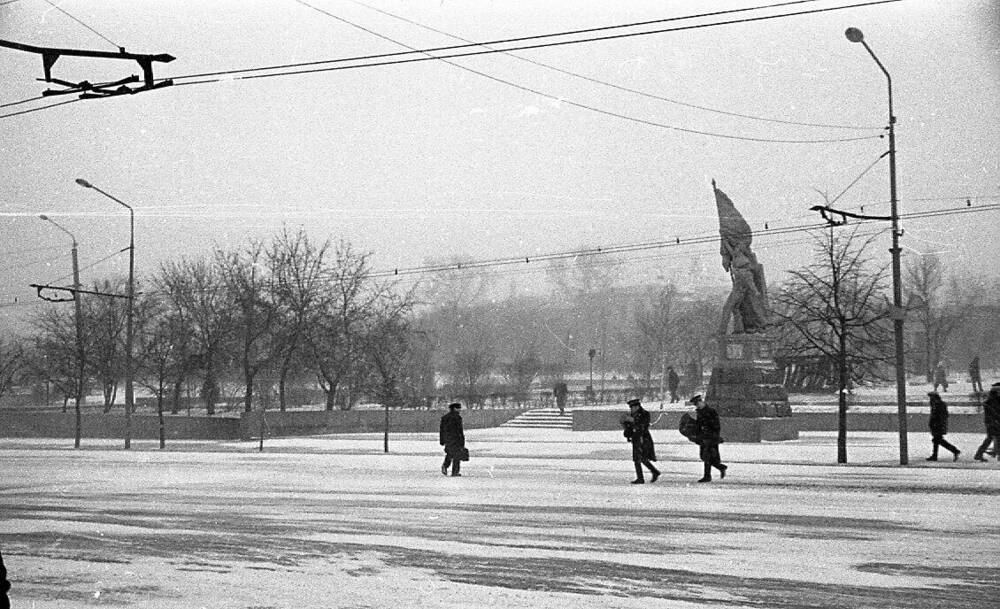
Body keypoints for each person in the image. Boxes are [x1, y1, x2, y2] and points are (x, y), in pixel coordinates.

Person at [691, 394, 727, 482]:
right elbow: (699, 425)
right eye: (696, 404)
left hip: (711, 437)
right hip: (704, 437)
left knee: (707, 456)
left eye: (697, 403)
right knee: (705, 456)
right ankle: (720, 467)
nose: (697, 405)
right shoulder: (700, 412)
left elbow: (716, 425)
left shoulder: (711, 411)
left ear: (701, 402)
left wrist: (711, 433)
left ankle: (707, 476)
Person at [624, 398, 659, 484]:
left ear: (637, 407)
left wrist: (633, 421)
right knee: (640, 458)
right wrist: (628, 432)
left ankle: (641, 478)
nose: (631, 409)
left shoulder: (645, 414)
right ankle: (654, 472)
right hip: (636, 438)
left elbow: (643, 426)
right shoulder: (632, 415)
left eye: (632, 407)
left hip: (643, 438)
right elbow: (629, 427)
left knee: (639, 458)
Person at [926, 391, 960, 461]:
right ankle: (935, 455)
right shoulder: (938, 404)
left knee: (937, 440)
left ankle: (954, 450)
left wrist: (934, 423)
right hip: (938, 425)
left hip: (937, 425)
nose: (930, 399)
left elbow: (936, 416)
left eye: (931, 397)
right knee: (937, 440)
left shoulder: (938, 404)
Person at [974, 383, 1000, 462]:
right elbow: (996, 412)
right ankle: (979, 454)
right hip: (994, 422)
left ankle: (979, 454)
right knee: (995, 438)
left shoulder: (990, 400)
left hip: (991, 422)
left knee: (991, 438)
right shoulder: (994, 401)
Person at [439, 402, 466, 476]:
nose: (460, 410)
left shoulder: (445, 417)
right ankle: (455, 472)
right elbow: (460, 430)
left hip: (448, 439)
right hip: (456, 439)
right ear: (455, 408)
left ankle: (445, 466)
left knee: (450, 454)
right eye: (459, 408)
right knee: (457, 455)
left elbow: (442, 430)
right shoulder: (457, 417)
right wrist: (462, 440)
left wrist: (442, 440)